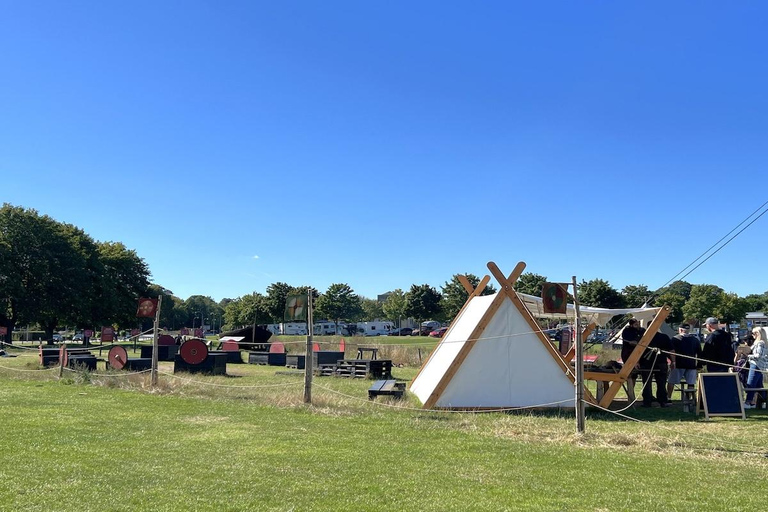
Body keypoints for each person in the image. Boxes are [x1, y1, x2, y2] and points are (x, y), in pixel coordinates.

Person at [638, 325, 674, 407]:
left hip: (647, 363)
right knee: (661, 383)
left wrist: (637, 362)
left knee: (647, 383)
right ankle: (662, 401)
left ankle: (647, 402)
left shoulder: (643, 338)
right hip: (660, 363)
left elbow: (637, 351)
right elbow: (671, 350)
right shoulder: (664, 337)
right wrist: (673, 361)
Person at [666, 323, 702, 399]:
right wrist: (699, 364)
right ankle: (688, 399)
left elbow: (670, 351)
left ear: (681, 330)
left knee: (671, 381)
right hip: (691, 364)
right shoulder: (695, 340)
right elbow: (699, 353)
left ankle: (668, 398)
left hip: (678, 364)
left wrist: (671, 361)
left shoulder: (675, 339)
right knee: (691, 383)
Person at [621, 319, 644, 403]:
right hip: (628, 354)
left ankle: (646, 394)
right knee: (631, 374)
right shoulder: (627, 331)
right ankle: (631, 393)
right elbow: (631, 342)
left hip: (641, 355)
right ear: (631, 325)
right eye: (635, 324)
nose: (637, 325)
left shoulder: (642, 330)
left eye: (638, 324)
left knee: (641, 373)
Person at [744, 327, 768, 409]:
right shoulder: (763, 342)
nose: (752, 335)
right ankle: (763, 401)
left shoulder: (760, 343)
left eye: (753, 333)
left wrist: (748, 356)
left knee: (751, 384)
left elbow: (758, 356)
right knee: (759, 385)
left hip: (756, 365)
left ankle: (748, 402)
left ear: (758, 334)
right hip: (760, 366)